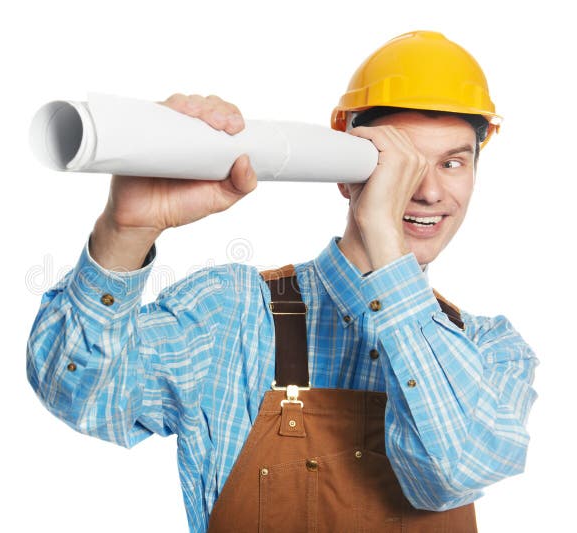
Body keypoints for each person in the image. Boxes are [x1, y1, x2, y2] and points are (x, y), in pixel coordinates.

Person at [27, 30, 537, 532]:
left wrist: (383, 236)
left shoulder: (490, 350)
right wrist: (124, 231)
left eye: (452, 163)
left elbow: (454, 473)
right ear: (345, 171)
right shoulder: (232, 315)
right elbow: (81, 395)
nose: (427, 191)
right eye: (403, 165)